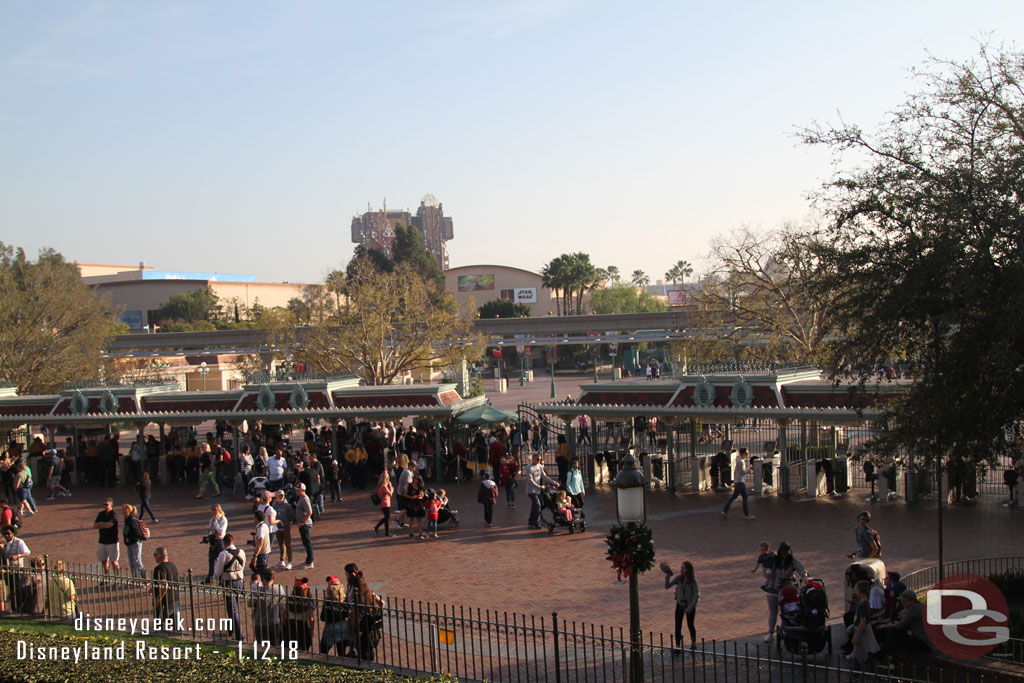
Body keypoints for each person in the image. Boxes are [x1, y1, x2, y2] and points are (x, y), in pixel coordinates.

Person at [764, 541, 808, 643]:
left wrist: (805, 578)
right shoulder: (774, 560)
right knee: (773, 611)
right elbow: (766, 569)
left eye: (786, 554)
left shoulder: (792, 561)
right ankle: (770, 633)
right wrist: (766, 573)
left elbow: (802, 569)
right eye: (783, 553)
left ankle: (790, 630)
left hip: (787, 589)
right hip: (773, 588)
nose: (785, 556)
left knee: (789, 610)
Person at [344, 563, 384, 660]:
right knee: (368, 648)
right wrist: (376, 614)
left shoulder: (354, 591)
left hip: (360, 626)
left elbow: (353, 613)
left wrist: (352, 628)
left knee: (361, 650)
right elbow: (382, 602)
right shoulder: (366, 588)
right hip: (369, 625)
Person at [876, 589, 931, 656]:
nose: (903, 603)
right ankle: (886, 655)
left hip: (923, 642)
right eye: (902, 601)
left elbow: (899, 626)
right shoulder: (919, 606)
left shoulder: (913, 610)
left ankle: (888, 656)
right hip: (925, 640)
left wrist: (885, 626)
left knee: (893, 633)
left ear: (912, 601)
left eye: (905, 601)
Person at [212, 532, 246, 639]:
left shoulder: (223, 554)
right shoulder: (241, 552)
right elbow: (243, 565)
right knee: (234, 606)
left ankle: (239, 634)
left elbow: (218, 571)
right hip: (240, 581)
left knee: (232, 608)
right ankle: (231, 629)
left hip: (229, 582)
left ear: (225, 543)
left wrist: (215, 578)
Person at [663, 560, 699, 653]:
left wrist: (690, 608)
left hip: (689, 606)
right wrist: (667, 578)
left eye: (683, 568)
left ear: (688, 570)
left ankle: (693, 643)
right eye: (681, 568)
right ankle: (678, 646)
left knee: (690, 625)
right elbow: (667, 586)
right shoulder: (679, 578)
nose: (681, 570)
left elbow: (696, 595)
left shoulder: (693, 581)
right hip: (679, 604)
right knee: (678, 626)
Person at [849, 579, 880, 671]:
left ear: (859, 590)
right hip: (864, 634)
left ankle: (856, 676)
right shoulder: (865, 603)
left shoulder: (863, 605)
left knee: (863, 656)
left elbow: (862, 623)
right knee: (863, 656)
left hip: (863, 635)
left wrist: (855, 636)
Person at [250, 568, 286, 644]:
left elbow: (249, 604)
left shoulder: (257, 590)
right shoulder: (279, 588)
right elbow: (283, 603)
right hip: (275, 621)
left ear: (263, 579)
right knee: (275, 645)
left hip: (260, 623)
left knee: (261, 646)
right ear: (273, 578)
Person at [319, 576, 351, 656]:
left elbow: (322, 617)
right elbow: (348, 614)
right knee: (341, 653)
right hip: (343, 626)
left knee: (323, 651)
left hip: (330, 628)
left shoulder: (328, 602)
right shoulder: (344, 600)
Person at [526, 453, 558, 529]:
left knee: (535, 505)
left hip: (538, 490)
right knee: (537, 505)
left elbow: (544, 476)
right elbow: (530, 480)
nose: (539, 461)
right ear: (533, 459)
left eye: (540, 459)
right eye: (537, 459)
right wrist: (539, 487)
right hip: (531, 490)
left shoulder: (540, 466)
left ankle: (531, 521)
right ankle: (536, 522)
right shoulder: (529, 467)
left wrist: (553, 482)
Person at [721, 448, 755, 519]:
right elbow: (743, 472)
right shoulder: (741, 461)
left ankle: (725, 510)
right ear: (743, 453)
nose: (747, 454)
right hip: (740, 482)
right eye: (746, 453)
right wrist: (749, 468)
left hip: (738, 481)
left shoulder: (739, 460)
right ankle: (746, 514)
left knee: (734, 496)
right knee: (745, 497)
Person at [150, 547, 179, 628]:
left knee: (160, 623)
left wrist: (158, 598)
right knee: (175, 623)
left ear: (159, 555)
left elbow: (164, 585)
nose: (154, 557)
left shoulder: (159, 569)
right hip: (175, 598)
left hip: (164, 601)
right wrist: (152, 589)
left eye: (154, 555)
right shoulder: (173, 565)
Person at [285, 577, 315, 651]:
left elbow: (283, 614)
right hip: (303, 626)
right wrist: (311, 630)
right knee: (303, 649)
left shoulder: (289, 600)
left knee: (291, 650)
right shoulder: (307, 602)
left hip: (291, 626)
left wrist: (286, 624)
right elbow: (311, 618)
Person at [93, 498, 120, 577]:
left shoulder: (114, 514)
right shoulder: (101, 514)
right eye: (104, 505)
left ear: (111, 505)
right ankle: (106, 577)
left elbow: (110, 525)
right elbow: (95, 525)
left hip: (112, 542)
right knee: (104, 561)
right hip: (102, 541)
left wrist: (101, 524)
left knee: (114, 562)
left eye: (107, 505)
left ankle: (117, 578)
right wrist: (105, 524)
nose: (105, 506)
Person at [272, 490, 295, 570]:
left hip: (286, 528)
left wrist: (287, 524)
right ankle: (282, 560)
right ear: (277, 497)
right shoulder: (274, 505)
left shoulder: (287, 506)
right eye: (280, 495)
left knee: (288, 544)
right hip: (278, 528)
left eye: (282, 495)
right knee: (281, 544)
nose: (281, 497)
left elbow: (291, 516)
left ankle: (290, 561)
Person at [122, 503, 146, 579]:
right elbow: (126, 532)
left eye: (124, 511)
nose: (123, 513)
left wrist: (129, 538)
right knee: (131, 563)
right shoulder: (127, 520)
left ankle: (145, 578)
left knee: (137, 561)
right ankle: (135, 579)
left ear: (128, 512)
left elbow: (137, 532)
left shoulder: (132, 521)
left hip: (135, 543)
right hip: (129, 544)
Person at [294, 483, 315, 569]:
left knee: (307, 542)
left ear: (302, 490)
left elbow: (309, 512)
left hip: (305, 524)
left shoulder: (305, 499)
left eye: (298, 490)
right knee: (305, 543)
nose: (296, 491)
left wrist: (302, 522)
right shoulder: (301, 499)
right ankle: (308, 560)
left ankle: (310, 561)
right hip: (302, 524)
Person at [206, 504, 228, 582]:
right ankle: (210, 577)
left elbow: (221, 531)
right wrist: (208, 536)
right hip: (213, 540)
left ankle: (221, 578)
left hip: (220, 540)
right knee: (211, 559)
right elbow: (210, 530)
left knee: (222, 558)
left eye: (214, 510)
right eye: (212, 510)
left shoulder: (223, 519)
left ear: (218, 511)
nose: (212, 512)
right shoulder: (212, 519)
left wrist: (216, 523)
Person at [373, 471, 394, 537]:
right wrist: (391, 487)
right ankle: (383, 531)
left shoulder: (380, 485)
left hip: (383, 503)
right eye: (387, 478)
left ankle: (380, 529)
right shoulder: (384, 486)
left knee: (386, 517)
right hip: (385, 503)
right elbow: (390, 494)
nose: (388, 479)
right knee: (387, 517)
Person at [251, 510, 272, 576]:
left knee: (261, 572)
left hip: (262, 554)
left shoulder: (261, 529)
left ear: (257, 518)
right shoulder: (264, 525)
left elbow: (260, 543)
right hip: (264, 553)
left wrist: (255, 556)